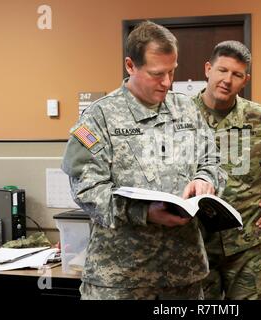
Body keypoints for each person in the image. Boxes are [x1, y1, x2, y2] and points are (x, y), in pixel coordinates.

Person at [62, 21, 226, 300]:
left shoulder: (185, 108)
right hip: (122, 279)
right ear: (130, 66)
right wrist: (143, 212)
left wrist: (205, 179)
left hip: (183, 275)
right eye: (157, 74)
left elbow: (212, 159)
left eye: (172, 71)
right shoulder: (99, 117)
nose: (167, 82)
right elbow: (87, 190)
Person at [192, 40, 261, 299]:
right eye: (222, 70)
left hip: (248, 245)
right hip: (195, 243)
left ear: (244, 80)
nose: (227, 80)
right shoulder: (181, 117)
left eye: (236, 75)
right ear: (207, 69)